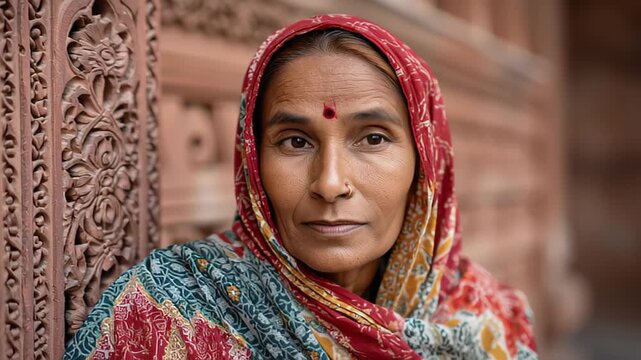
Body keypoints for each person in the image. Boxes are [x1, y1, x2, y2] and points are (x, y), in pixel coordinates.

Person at [65, 15, 537, 359]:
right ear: (252, 161)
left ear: (426, 163)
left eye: (373, 138)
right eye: (295, 141)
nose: (330, 184)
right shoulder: (163, 314)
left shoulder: (492, 320)